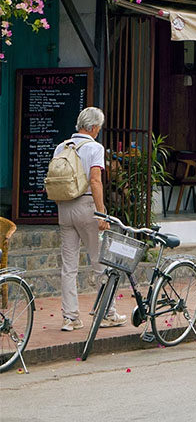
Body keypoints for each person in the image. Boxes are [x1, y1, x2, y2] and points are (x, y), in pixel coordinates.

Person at [55, 107, 126, 331]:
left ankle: (70, 317)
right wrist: (101, 212)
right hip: (87, 206)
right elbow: (95, 180)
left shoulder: (61, 146)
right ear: (94, 127)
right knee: (100, 262)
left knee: (68, 267)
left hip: (65, 207)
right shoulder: (95, 148)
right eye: (99, 128)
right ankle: (108, 313)